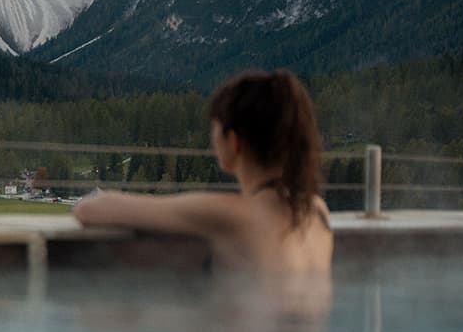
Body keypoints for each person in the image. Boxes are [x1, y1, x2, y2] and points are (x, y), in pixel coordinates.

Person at [72, 69, 332, 274]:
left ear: (233, 141)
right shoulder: (317, 211)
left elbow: (89, 210)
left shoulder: (231, 214)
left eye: (215, 128)